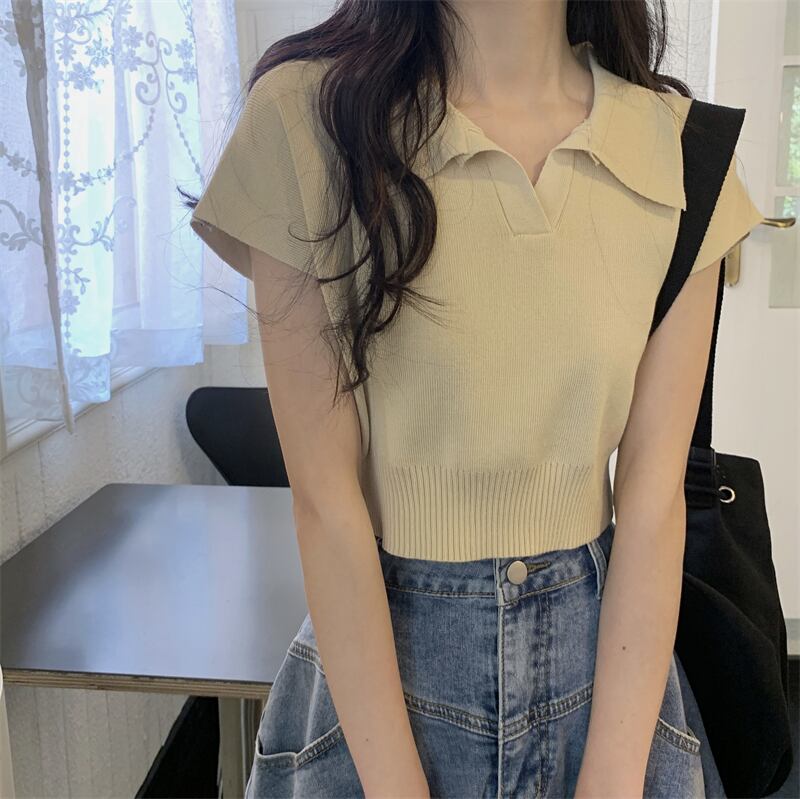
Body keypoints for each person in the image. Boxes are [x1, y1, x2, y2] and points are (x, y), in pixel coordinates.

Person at [184, 1, 764, 796]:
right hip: (377, 695)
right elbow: (326, 502)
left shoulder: (682, 154)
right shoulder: (308, 121)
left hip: (610, 684)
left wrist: (611, 779)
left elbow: (653, 499)